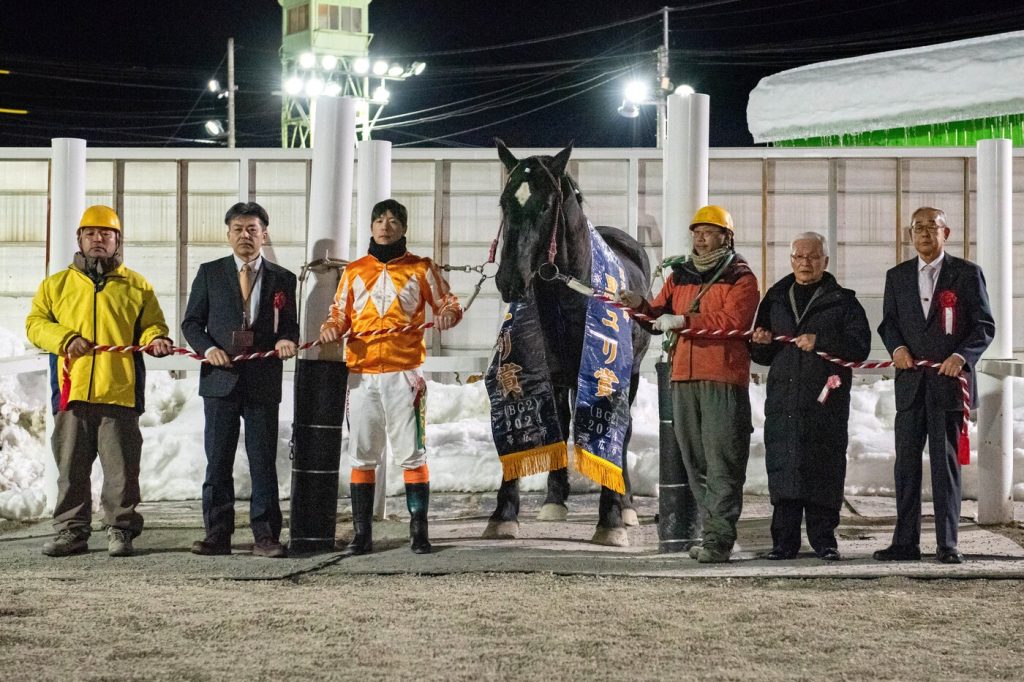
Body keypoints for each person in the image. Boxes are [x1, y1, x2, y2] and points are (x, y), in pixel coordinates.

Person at [26, 205, 173, 557]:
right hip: (71, 392)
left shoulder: (136, 285)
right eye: (91, 233)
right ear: (79, 238)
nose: (98, 239)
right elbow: (35, 324)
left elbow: (153, 324)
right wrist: (63, 339)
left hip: (119, 391)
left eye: (106, 234)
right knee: (70, 470)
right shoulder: (55, 285)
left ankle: (121, 530)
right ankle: (71, 532)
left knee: (122, 472)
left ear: (117, 241)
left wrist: (156, 338)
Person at [319, 199, 462, 556]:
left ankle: (419, 532)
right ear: (370, 227)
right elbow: (339, 314)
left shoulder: (421, 267)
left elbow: (450, 303)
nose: (386, 226)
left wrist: (447, 315)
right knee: (362, 455)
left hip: (404, 374)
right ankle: (361, 534)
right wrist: (330, 328)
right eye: (379, 219)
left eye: (394, 221)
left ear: (404, 228)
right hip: (361, 377)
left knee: (412, 454)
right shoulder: (353, 271)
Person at [619, 205, 759, 563]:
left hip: (722, 378)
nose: (700, 237)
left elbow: (732, 320)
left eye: (709, 231)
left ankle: (718, 541)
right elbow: (656, 316)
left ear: (726, 237)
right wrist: (641, 306)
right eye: (697, 231)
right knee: (695, 461)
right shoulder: (680, 274)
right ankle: (714, 534)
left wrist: (682, 320)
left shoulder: (741, 276)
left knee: (722, 463)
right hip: (683, 376)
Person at [875, 207, 994, 564]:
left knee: (945, 466)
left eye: (932, 227)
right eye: (918, 228)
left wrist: (962, 356)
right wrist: (896, 349)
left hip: (947, 385)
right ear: (909, 235)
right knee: (906, 466)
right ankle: (905, 542)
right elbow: (889, 324)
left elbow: (983, 326)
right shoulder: (896, 277)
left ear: (947, 233)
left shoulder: (967, 274)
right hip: (911, 385)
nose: (925, 233)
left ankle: (947, 543)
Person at [182, 202, 298, 558]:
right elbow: (191, 323)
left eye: (252, 229)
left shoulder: (283, 278)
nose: (245, 236)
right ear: (228, 234)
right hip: (220, 379)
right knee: (218, 460)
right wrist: (208, 349)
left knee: (263, 461)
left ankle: (265, 536)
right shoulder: (209, 273)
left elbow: (290, 324)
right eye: (238, 229)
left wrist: (285, 339)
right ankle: (217, 535)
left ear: (265, 234)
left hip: (262, 380)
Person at [750, 232, 871, 561]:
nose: (805, 262)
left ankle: (824, 541)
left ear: (825, 261)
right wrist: (760, 342)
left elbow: (859, 348)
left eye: (812, 257)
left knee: (823, 469)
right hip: (783, 402)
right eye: (799, 257)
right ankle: (783, 542)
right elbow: (762, 354)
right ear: (791, 260)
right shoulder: (775, 297)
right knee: (784, 468)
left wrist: (821, 340)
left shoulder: (843, 301)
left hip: (825, 404)